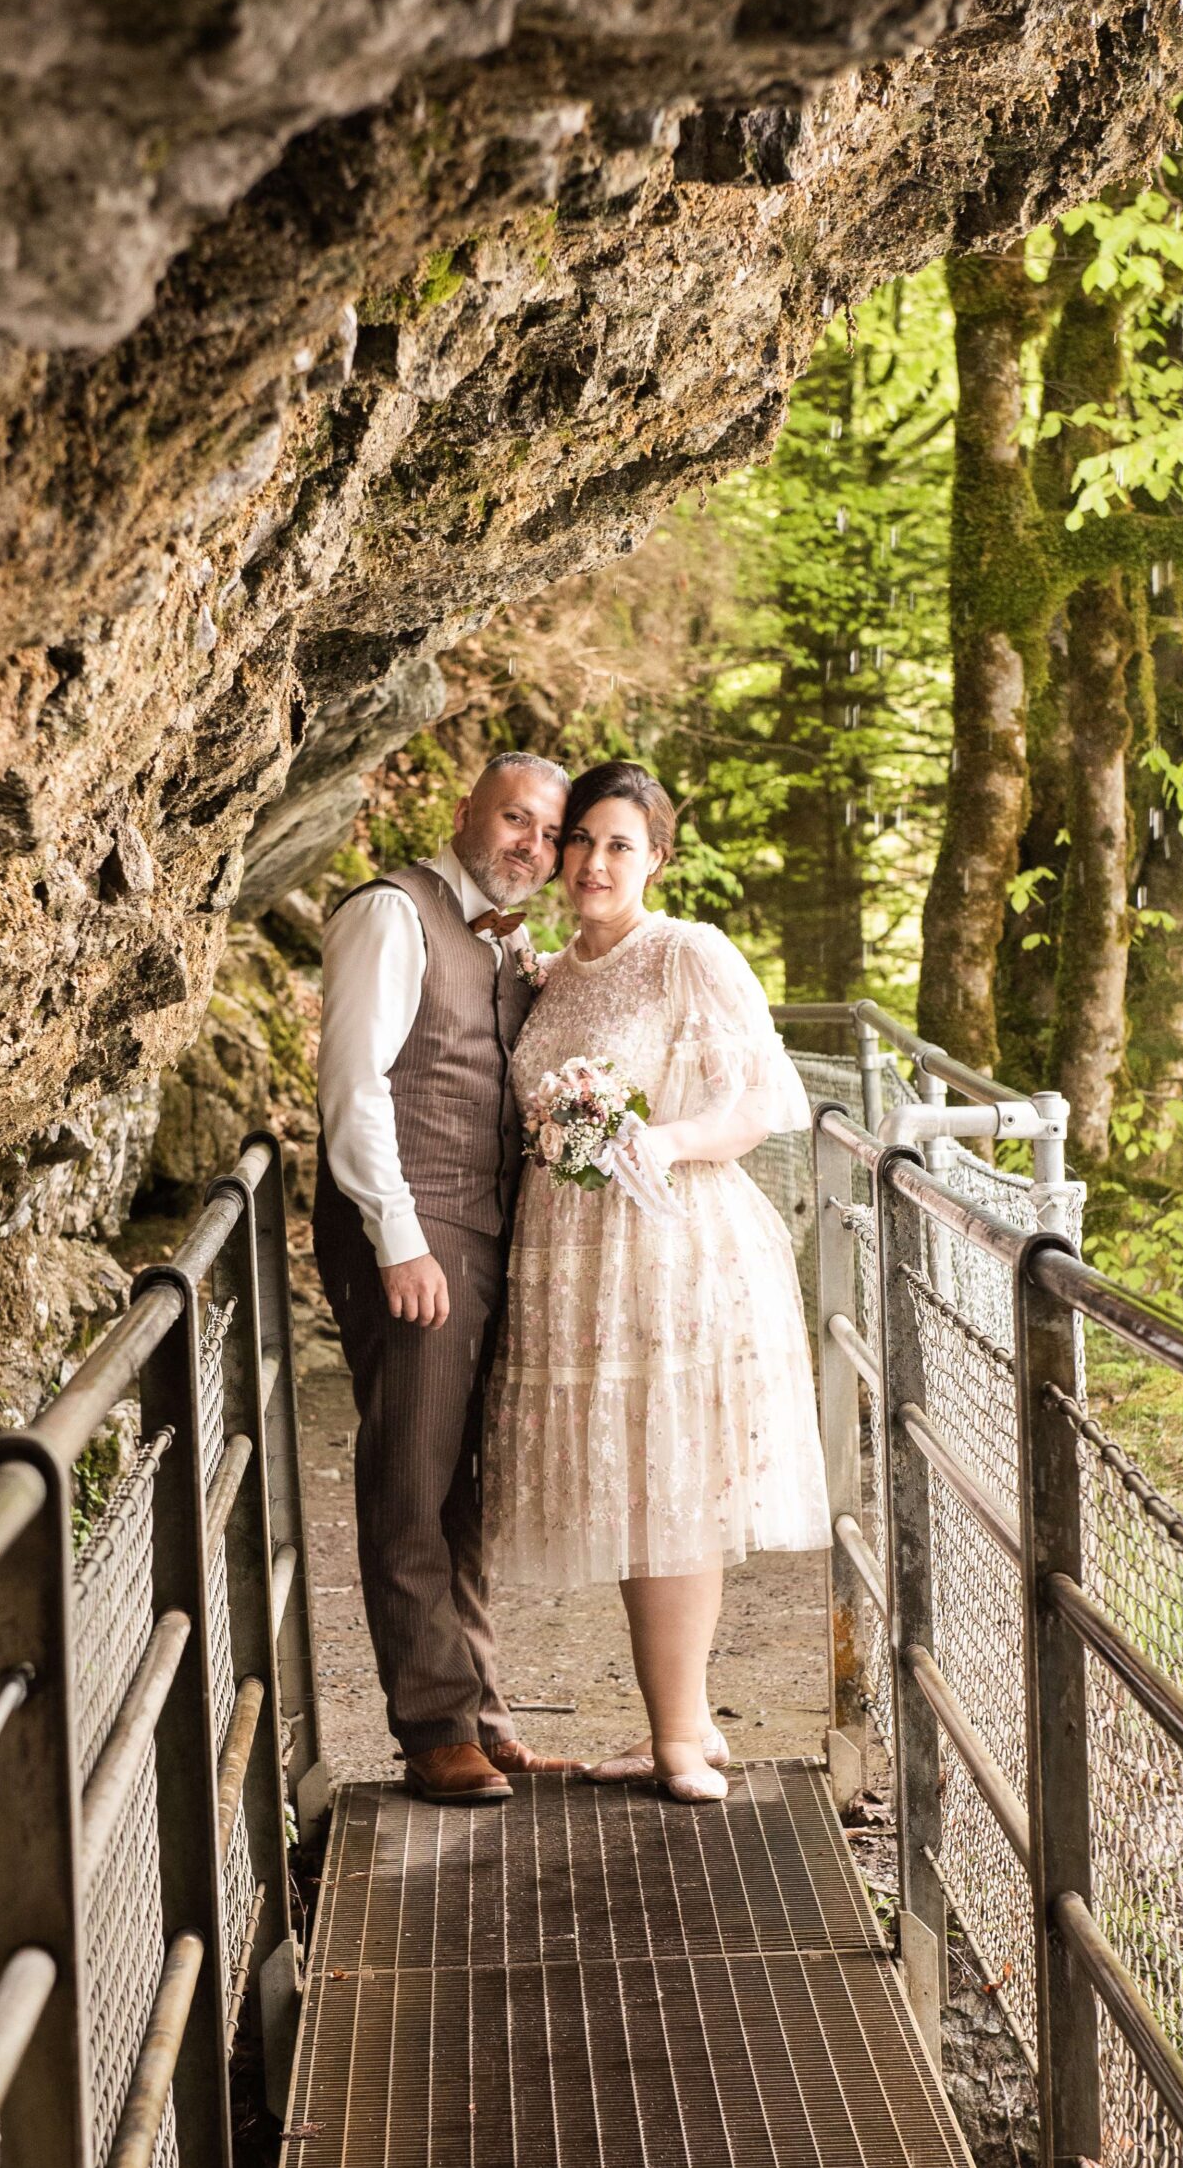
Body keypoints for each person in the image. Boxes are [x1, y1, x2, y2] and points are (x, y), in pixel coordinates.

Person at [484, 760, 830, 1800]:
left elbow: (760, 1104)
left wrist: (660, 1139)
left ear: (657, 859)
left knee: (671, 1483)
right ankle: (682, 1721)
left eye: (619, 845)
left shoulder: (687, 953)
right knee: (633, 1488)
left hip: (670, 1245)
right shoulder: (547, 974)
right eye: (579, 840)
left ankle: (680, 1734)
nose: (593, 862)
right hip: (573, 1263)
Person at [313, 750, 582, 1805]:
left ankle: (481, 1714)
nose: (531, 845)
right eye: (515, 820)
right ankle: (432, 1729)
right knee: (411, 1479)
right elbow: (354, 1088)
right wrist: (398, 1239)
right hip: (413, 1234)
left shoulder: (502, 943)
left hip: (481, 1234)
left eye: (548, 834)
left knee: (463, 1490)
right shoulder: (392, 913)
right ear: (466, 810)